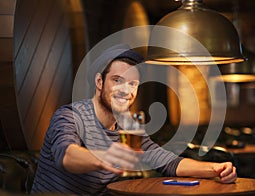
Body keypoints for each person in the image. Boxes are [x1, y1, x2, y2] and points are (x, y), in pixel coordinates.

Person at [31, 44, 236, 195]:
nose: (126, 90)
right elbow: (65, 155)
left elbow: (166, 161)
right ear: (99, 82)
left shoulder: (128, 128)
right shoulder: (69, 116)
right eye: (117, 80)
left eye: (133, 83)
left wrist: (215, 169)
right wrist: (105, 156)